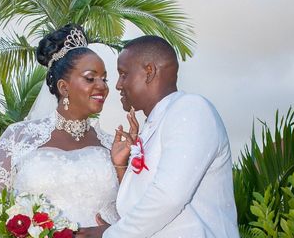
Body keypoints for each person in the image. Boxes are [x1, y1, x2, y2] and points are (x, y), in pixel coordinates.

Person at [0, 24, 138, 236]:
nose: (102, 86)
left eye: (104, 79)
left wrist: (110, 232)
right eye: (90, 78)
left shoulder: (113, 147)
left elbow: (139, 213)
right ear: (63, 87)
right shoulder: (19, 137)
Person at [78, 35, 239, 238]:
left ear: (149, 72)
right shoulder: (152, 126)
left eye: (124, 74)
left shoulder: (190, 109)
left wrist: (110, 235)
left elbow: (169, 198)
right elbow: (140, 202)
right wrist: (121, 166)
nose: (118, 85)